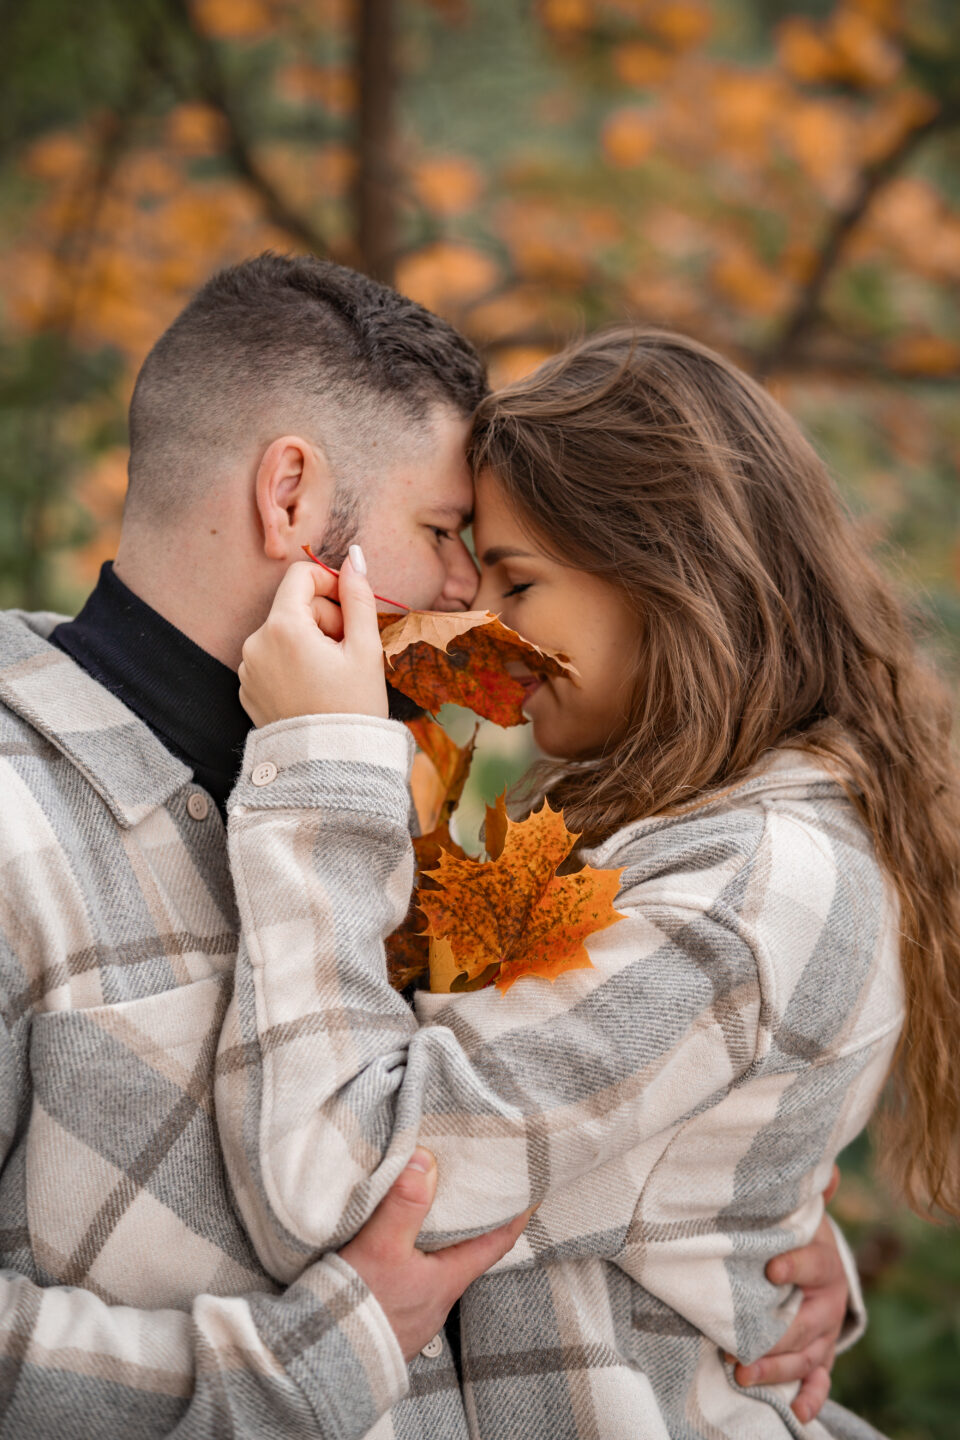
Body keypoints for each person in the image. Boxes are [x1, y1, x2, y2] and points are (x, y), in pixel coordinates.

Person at [0, 254, 848, 1436]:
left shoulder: (379, 780)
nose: (471, 597)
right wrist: (311, 1362)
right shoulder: (17, 818)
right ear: (290, 498)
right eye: (447, 532)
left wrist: (731, 1201)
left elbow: (505, 1108)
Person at [230, 326, 960, 1438]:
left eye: (520, 580)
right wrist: (744, 1221)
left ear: (670, 576)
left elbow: (342, 1174)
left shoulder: (748, 889)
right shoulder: (676, 832)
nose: (489, 623)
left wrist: (320, 763)